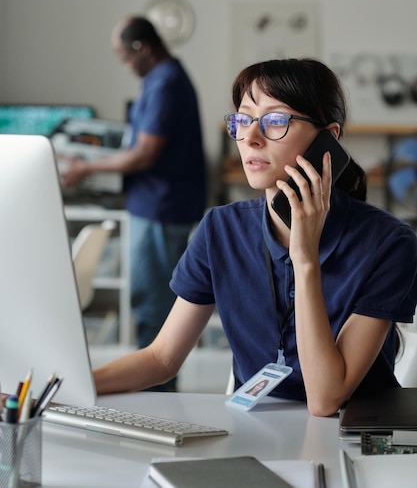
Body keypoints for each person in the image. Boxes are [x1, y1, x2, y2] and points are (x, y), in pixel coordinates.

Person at [92, 58, 417, 416]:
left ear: (329, 138)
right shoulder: (220, 229)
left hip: (353, 437)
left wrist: (305, 259)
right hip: (255, 431)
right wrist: (67, 383)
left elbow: (327, 399)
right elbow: (162, 358)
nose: (250, 137)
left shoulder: (390, 243)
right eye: (243, 119)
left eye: (275, 120)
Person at [61, 16, 206, 391]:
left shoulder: (166, 83)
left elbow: (144, 153)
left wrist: (84, 168)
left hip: (161, 207)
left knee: (153, 305)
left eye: (124, 56)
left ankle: (154, 396)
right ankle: (154, 391)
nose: (125, 65)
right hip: (159, 204)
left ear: (142, 48)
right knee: (154, 301)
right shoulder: (162, 79)